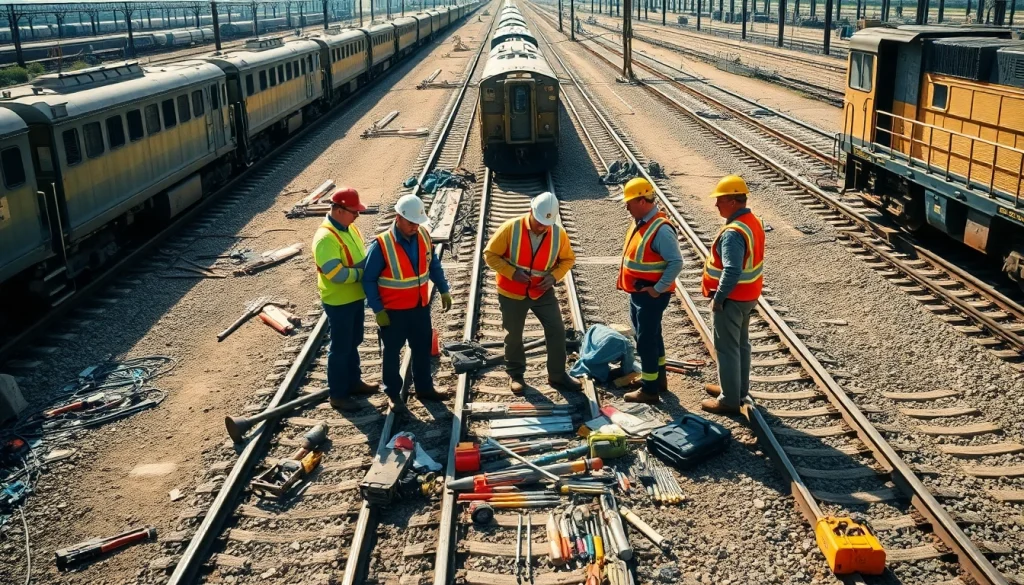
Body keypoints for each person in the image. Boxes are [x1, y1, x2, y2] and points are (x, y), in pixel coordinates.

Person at [362, 194, 453, 415]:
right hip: (392, 313)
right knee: (392, 353)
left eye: (417, 222)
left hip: (419, 308)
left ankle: (424, 388)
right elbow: (368, 279)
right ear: (398, 218)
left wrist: (443, 288)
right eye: (411, 222)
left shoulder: (423, 234)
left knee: (422, 349)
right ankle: (393, 394)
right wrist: (378, 309)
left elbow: (434, 265)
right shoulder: (382, 245)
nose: (415, 227)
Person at [484, 192, 582, 394]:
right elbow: (490, 255)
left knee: (557, 330)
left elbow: (568, 260)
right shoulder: (511, 228)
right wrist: (511, 273)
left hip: (542, 292)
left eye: (547, 223)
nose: (542, 227)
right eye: (539, 222)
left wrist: (554, 277)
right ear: (531, 211)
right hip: (512, 292)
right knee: (514, 335)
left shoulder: (558, 233)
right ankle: (516, 375)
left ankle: (557, 375)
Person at [701, 175, 765, 414]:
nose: (716, 204)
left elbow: (732, 269)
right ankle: (737, 389)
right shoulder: (752, 221)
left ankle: (729, 400)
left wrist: (718, 298)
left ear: (732, 201)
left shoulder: (733, 232)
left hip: (732, 298)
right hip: (749, 295)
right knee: (741, 345)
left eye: (720, 200)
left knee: (727, 348)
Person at [617, 178, 683, 404]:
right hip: (639, 294)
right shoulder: (641, 221)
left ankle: (650, 389)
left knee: (646, 341)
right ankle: (658, 379)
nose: (626, 206)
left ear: (643, 201)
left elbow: (676, 262)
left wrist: (657, 289)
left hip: (650, 296)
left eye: (630, 202)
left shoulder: (660, 229)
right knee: (653, 336)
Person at [313, 187, 378, 412]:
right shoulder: (325, 239)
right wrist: (365, 274)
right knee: (340, 348)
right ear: (339, 210)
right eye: (354, 211)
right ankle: (338, 395)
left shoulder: (349, 228)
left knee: (354, 342)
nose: (357, 215)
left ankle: (354, 382)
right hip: (339, 301)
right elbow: (337, 275)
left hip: (354, 297)